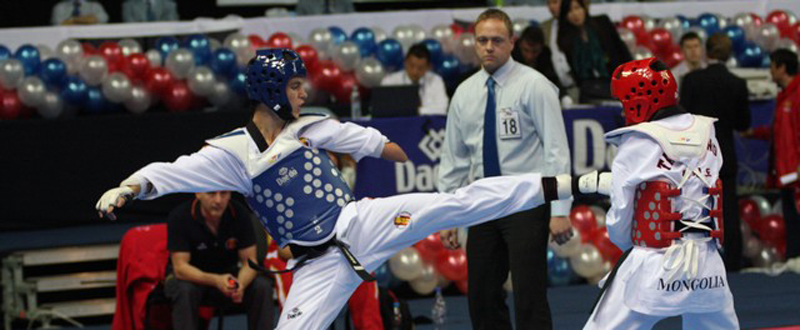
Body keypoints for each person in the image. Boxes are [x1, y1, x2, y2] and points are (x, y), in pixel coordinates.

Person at [95, 47, 583, 329]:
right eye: (294, 87)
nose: (303, 93)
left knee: (452, 205)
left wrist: (391, 148)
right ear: (270, 93)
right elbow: (175, 169)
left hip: (359, 224)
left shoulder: (308, 126)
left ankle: (565, 182)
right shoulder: (231, 155)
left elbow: (359, 136)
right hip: (316, 265)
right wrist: (130, 186)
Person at [438, 9, 572, 330]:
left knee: (529, 295)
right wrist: (447, 214)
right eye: (482, 40)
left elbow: (556, 151)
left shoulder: (535, 86)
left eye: (497, 40)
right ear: (474, 42)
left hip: (525, 201)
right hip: (482, 203)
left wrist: (560, 208)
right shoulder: (464, 93)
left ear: (512, 42)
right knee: (481, 297)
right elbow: (454, 159)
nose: (488, 47)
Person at [584, 57, 739, 329]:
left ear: (637, 101)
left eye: (624, 103)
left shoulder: (638, 141)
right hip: (708, 265)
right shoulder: (707, 130)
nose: (623, 110)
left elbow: (622, 214)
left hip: (655, 263)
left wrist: (630, 248)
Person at [680, 33, 750, 271]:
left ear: (706, 52)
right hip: (726, 155)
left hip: (697, 156)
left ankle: (696, 264)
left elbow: (683, 119)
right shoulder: (737, 83)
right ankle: (732, 262)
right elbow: (743, 123)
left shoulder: (691, 80)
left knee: (694, 207)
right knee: (729, 210)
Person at [164, 191, 273, 330]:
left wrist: (240, 285)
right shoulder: (180, 216)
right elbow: (180, 268)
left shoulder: (239, 212)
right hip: (191, 277)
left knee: (262, 286)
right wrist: (216, 280)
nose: (218, 200)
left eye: (224, 194)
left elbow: (250, 262)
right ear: (198, 193)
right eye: (211, 194)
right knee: (184, 290)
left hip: (228, 274)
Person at [744, 49, 800, 259]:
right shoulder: (785, 95)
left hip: (795, 172)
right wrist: (753, 133)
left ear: (781, 68)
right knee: (792, 218)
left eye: (772, 66)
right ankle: (795, 260)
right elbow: (778, 131)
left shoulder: (797, 95)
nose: (770, 72)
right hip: (786, 172)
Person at [556, 0, 632, 102]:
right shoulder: (565, 39)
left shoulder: (602, 23)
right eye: (569, 11)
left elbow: (622, 51)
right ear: (565, 16)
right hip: (587, 90)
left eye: (577, 8)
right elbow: (574, 70)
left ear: (584, 8)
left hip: (614, 82)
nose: (575, 14)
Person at [380, 43, 449, 115]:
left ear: (428, 67)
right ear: (405, 62)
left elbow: (443, 108)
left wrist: (416, 111)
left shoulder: (436, 80)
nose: (415, 72)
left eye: (420, 68)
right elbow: (383, 110)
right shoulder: (390, 81)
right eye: (411, 66)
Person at [511, 25, 566, 100]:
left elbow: (552, 79)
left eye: (535, 52)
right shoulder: (510, 53)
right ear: (520, 44)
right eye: (526, 50)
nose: (529, 56)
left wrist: (564, 96)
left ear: (541, 49)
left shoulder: (545, 54)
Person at [541, 0, 579, 102]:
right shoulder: (544, 27)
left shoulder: (578, 25)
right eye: (548, 3)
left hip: (578, 86)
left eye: (555, 2)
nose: (551, 7)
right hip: (554, 88)